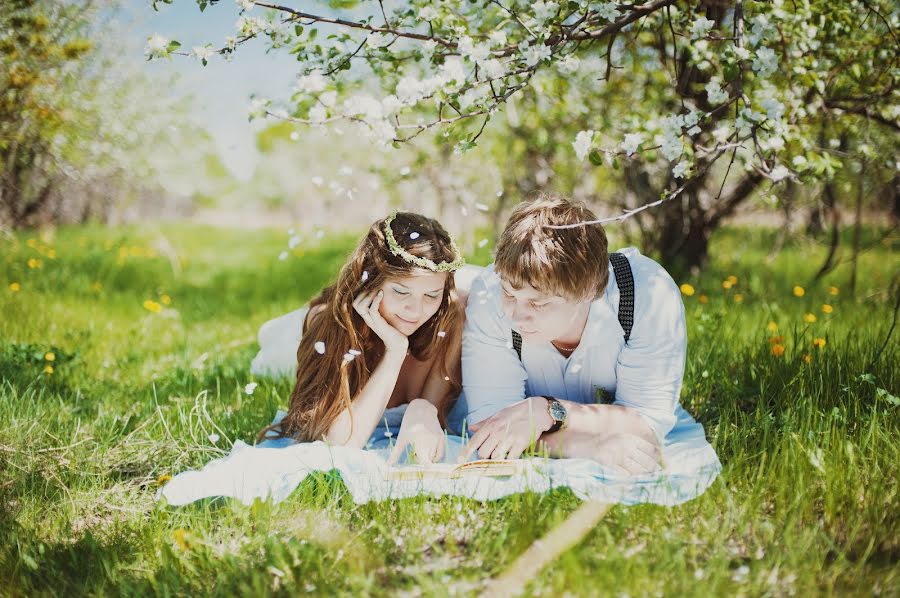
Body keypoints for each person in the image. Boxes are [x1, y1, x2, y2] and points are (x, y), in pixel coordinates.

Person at [456, 194, 687, 475]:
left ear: (590, 290)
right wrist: (587, 447)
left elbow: (646, 424)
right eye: (509, 293)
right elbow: (491, 429)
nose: (515, 315)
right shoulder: (489, 295)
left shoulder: (648, 296)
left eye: (537, 303)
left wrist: (546, 411)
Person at [254, 211, 470, 465]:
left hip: (464, 287)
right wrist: (395, 352)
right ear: (372, 280)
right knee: (266, 354)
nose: (416, 310)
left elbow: (434, 416)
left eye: (431, 296)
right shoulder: (331, 323)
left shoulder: (448, 315)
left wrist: (423, 408)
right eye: (401, 291)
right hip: (297, 334)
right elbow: (340, 444)